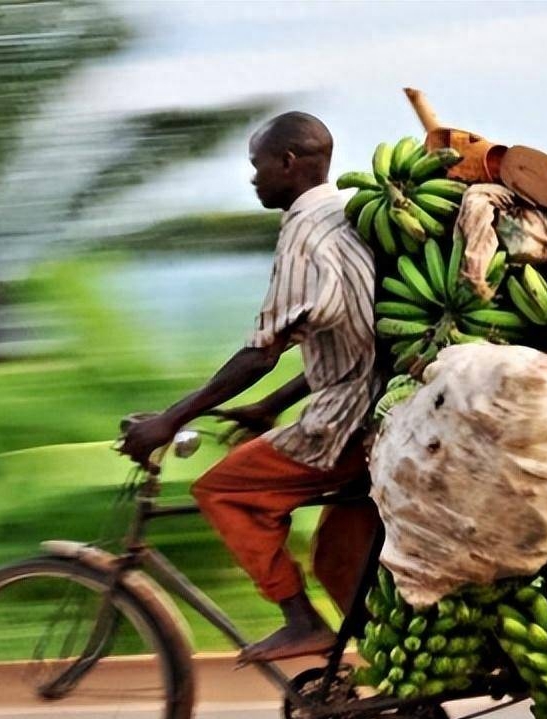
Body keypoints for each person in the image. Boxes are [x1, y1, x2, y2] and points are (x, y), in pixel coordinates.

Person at [118, 112, 381, 663]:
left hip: (345, 423)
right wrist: (271, 406)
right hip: (377, 411)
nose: (253, 178)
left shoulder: (304, 237)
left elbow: (263, 352)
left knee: (223, 491)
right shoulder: (343, 216)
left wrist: (171, 419)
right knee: (336, 558)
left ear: (287, 163)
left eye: (256, 165)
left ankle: (299, 620)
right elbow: (346, 338)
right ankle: (390, 666)